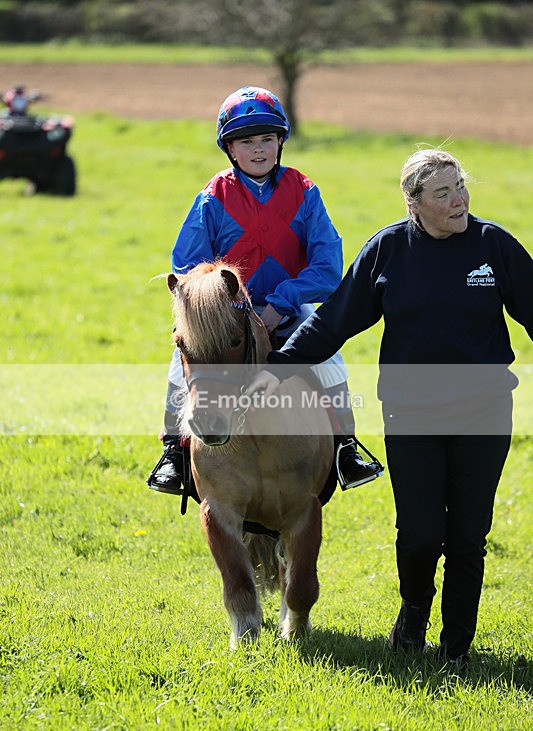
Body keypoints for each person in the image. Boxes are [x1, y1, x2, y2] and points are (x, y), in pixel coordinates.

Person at [248, 147, 533, 667]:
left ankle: (457, 646)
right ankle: (413, 617)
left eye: (461, 187)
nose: (458, 200)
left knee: (468, 535)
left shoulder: (493, 246)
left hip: (485, 412)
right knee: (421, 533)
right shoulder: (389, 250)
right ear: (414, 202)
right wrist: (279, 366)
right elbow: (335, 319)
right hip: (412, 413)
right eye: (442, 193)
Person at [147, 86, 382, 495]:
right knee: (179, 360)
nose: (258, 149)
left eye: (267, 139)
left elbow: (328, 266)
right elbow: (186, 265)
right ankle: (174, 453)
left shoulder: (303, 190)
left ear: (280, 142)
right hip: (227, 317)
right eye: (246, 141)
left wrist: (281, 303)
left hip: (291, 308)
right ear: (230, 149)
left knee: (330, 357)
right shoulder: (213, 197)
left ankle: (346, 448)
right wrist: (224, 306)